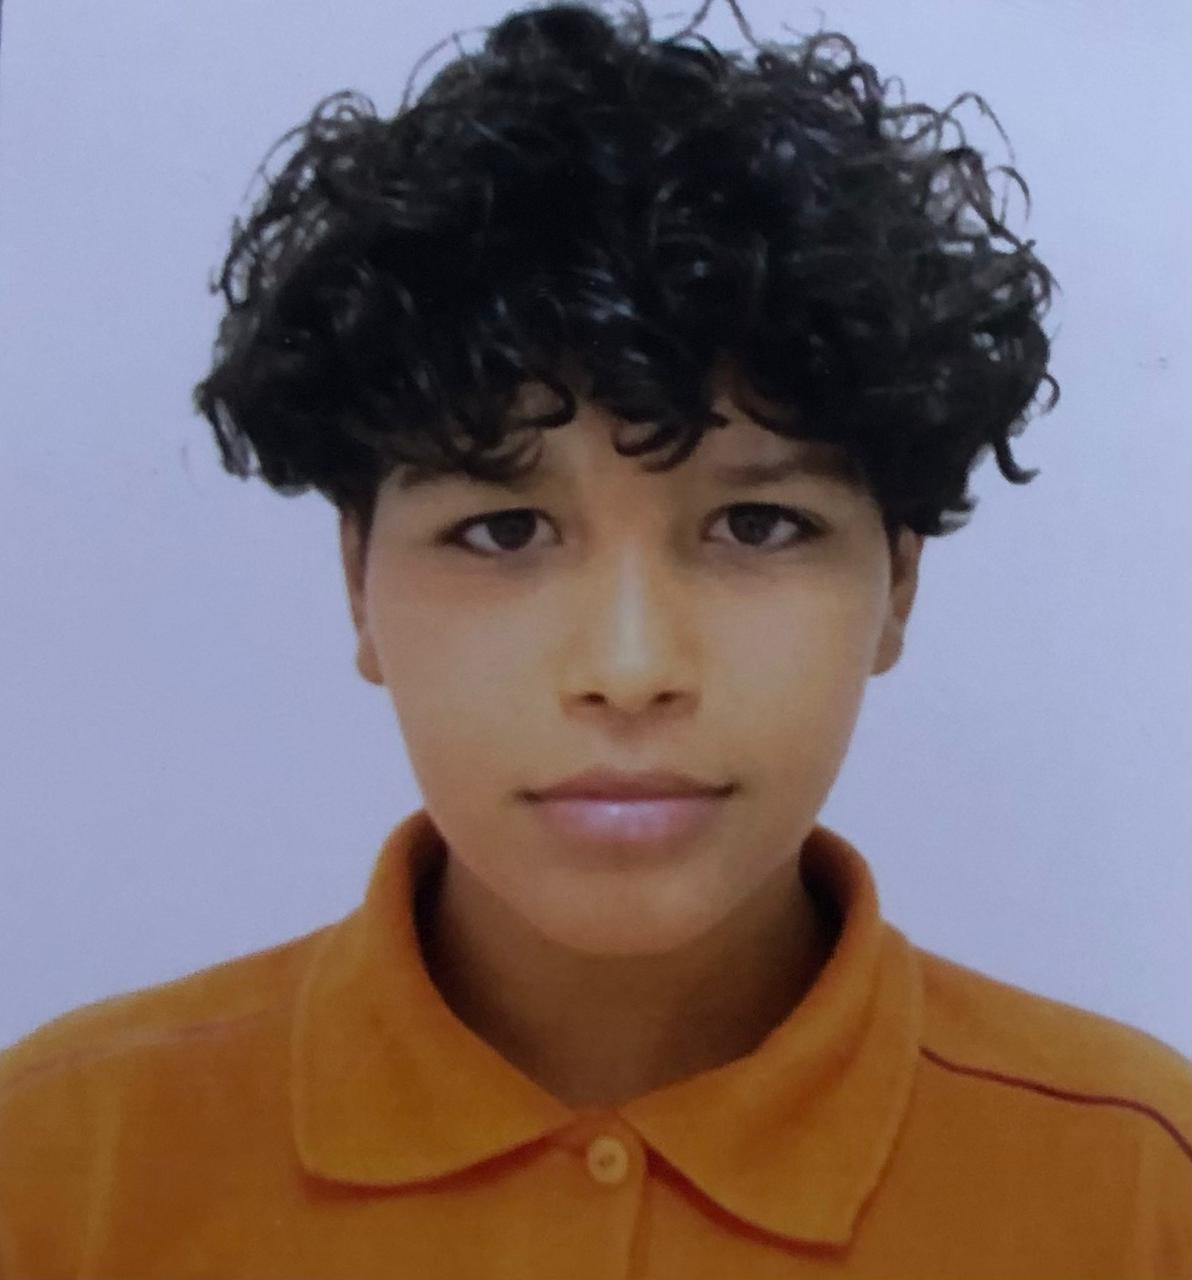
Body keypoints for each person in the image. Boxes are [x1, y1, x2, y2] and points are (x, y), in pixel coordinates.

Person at [2, 1, 1189, 1274]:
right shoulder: (65, 1165)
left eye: (757, 523)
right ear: (358, 581)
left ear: (896, 582)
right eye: (503, 530)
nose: (630, 670)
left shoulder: (1135, 1188)